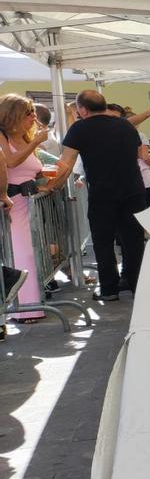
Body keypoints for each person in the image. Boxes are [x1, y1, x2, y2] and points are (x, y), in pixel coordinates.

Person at [55, 90, 146, 301]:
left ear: (83, 109)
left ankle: (109, 289)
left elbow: (66, 162)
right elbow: (137, 153)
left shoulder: (79, 128)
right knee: (133, 240)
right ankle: (135, 284)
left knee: (103, 241)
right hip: (133, 190)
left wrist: (54, 184)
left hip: (102, 193)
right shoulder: (125, 125)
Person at [0, 94, 49, 320]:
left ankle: (31, 304)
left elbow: (32, 167)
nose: (33, 116)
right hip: (14, 204)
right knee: (22, 253)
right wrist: (36, 142)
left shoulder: (26, 138)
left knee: (32, 253)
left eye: (32, 112)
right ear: (13, 116)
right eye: (28, 113)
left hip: (30, 205)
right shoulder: (3, 137)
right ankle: (22, 308)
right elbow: (10, 162)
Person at [108, 104, 150, 206]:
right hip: (141, 177)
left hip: (121, 180)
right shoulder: (140, 135)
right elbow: (144, 156)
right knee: (147, 206)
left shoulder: (114, 137)